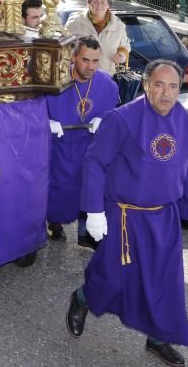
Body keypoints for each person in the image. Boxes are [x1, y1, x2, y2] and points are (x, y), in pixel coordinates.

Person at [66, 59, 188, 367]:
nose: (166, 94)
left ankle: (158, 338)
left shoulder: (184, 123)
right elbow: (95, 162)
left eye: (173, 86)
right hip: (124, 217)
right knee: (112, 277)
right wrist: (93, 210)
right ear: (145, 85)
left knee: (164, 282)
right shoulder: (122, 119)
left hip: (164, 218)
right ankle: (83, 298)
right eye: (159, 84)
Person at [45, 36, 119, 247]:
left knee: (90, 185)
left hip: (89, 145)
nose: (91, 67)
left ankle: (86, 231)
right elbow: (35, 110)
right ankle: (54, 222)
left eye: (96, 61)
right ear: (73, 57)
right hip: (59, 146)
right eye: (85, 60)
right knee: (58, 188)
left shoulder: (107, 85)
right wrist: (46, 122)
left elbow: (114, 116)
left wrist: (103, 120)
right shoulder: (54, 81)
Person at [64, 0, 130, 76]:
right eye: (95, 2)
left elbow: (125, 47)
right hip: (80, 77)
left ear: (108, 5)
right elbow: (64, 46)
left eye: (103, 2)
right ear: (89, 4)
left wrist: (122, 56)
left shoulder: (118, 25)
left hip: (107, 77)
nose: (99, 5)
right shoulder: (75, 22)